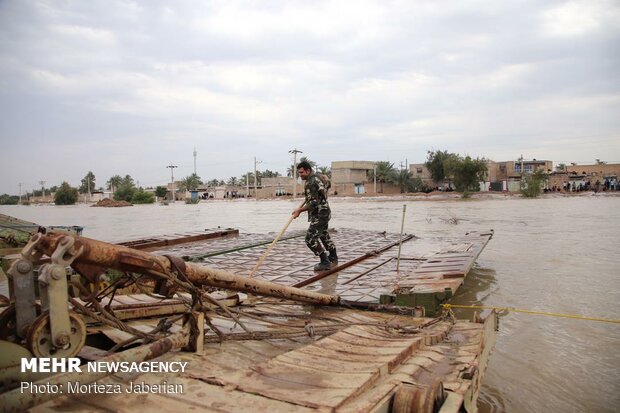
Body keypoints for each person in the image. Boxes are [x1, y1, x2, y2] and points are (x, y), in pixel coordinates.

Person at [292, 160, 338, 271]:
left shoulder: (310, 182)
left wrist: (299, 210)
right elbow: (328, 184)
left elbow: (313, 203)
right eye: (299, 173)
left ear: (308, 170)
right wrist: (326, 179)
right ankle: (333, 256)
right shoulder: (319, 177)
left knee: (310, 239)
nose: (300, 175)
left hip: (319, 214)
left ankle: (325, 262)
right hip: (325, 212)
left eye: (302, 172)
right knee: (323, 235)